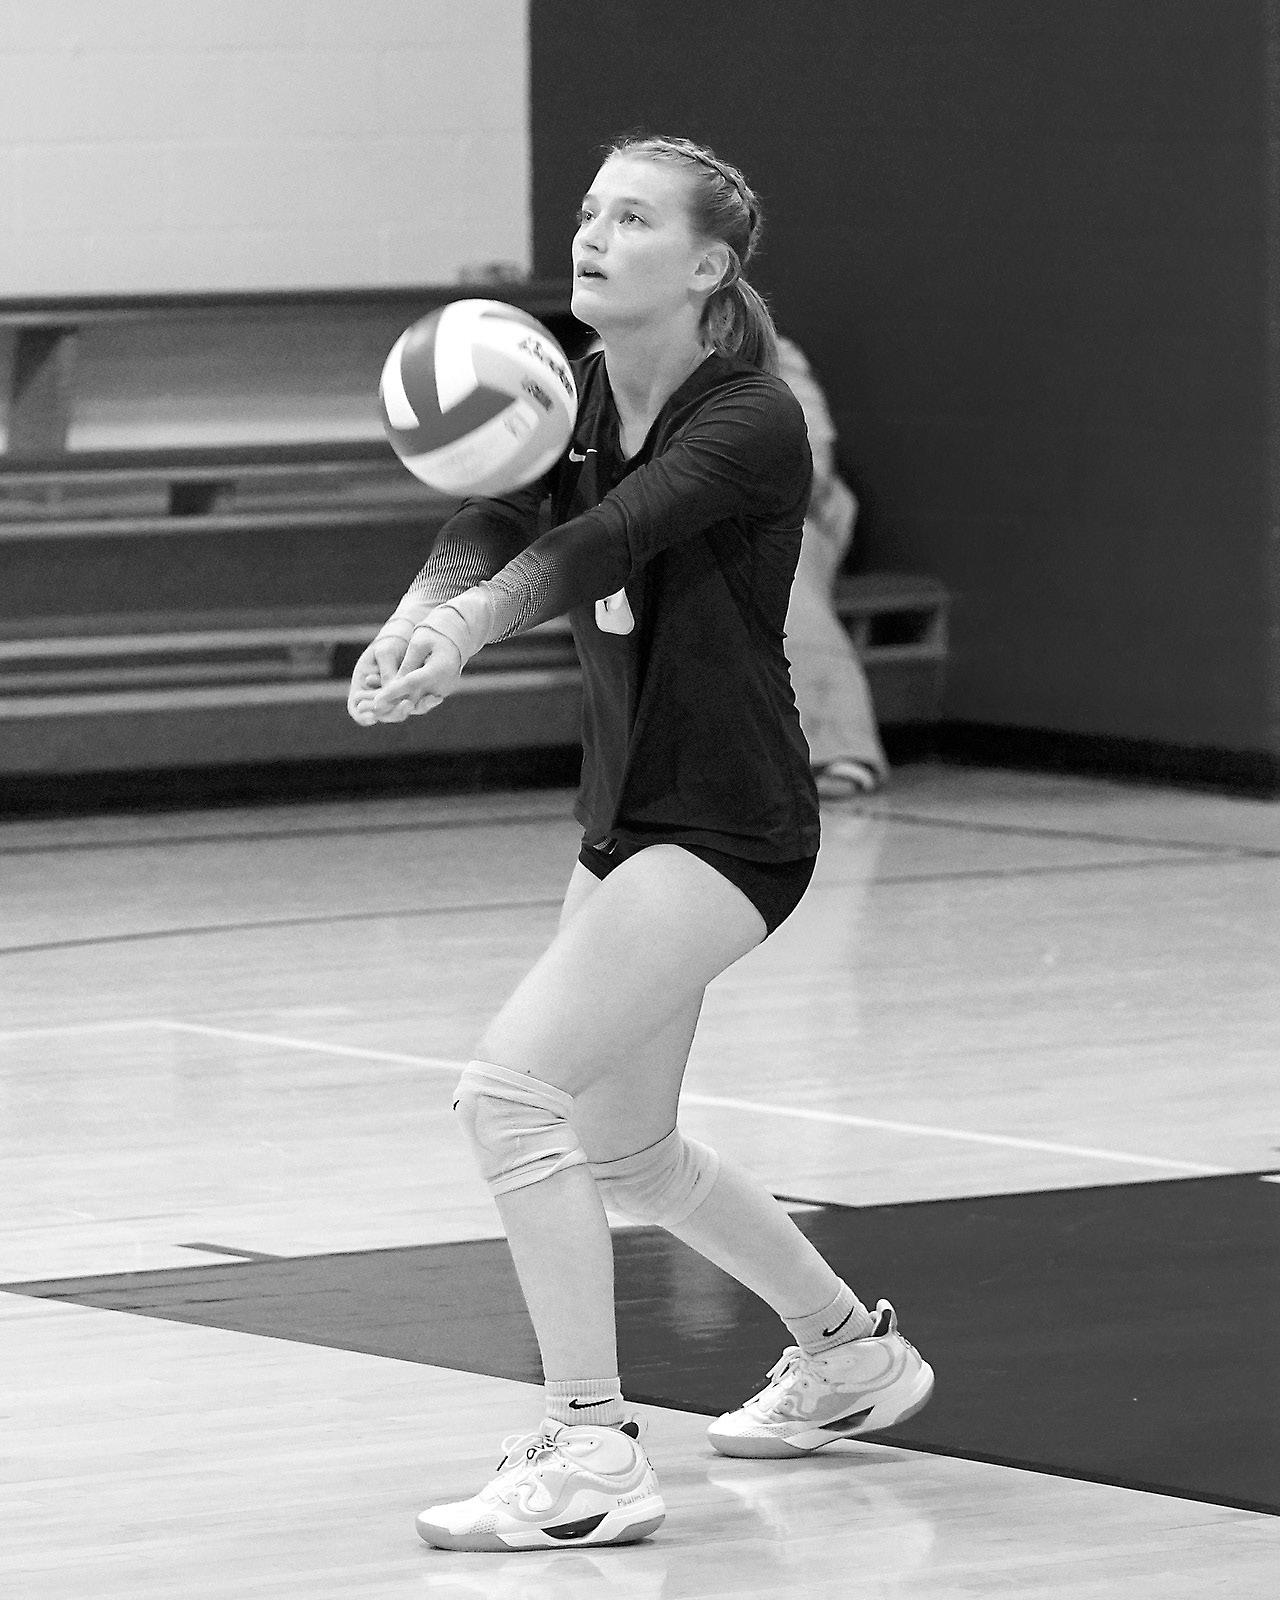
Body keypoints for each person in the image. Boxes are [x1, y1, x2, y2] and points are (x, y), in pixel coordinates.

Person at [348, 134, 933, 1555]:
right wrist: (420, 612)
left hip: (727, 820)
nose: (593, 236)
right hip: (628, 816)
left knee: (509, 1099)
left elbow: (607, 536)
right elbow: (501, 510)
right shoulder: (579, 387)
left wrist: (468, 629)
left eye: (631, 218)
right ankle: (849, 1354)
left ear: (708, 264)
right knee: (626, 1145)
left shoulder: (752, 416)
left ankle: (591, 1447)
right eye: (589, 212)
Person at [776, 336, 890, 796]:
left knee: (772, 564)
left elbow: (808, 468)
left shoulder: (763, 348)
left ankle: (837, 745)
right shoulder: (602, 361)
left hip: (789, 514)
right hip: (666, 521)